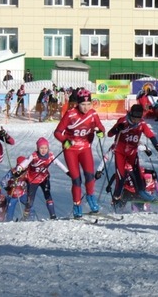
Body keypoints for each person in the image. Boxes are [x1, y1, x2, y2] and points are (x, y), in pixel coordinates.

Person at [53, 87, 106, 219]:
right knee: (76, 179)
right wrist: (65, 141)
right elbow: (57, 132)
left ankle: (90, 198)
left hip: (85, 149)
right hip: (71, 150)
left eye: (88, 104)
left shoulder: (93, 114)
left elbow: (101, 128)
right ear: (78, 103)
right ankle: (77, 205)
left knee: (89, 176)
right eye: (83, 104)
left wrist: (100, 132)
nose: (86, 107)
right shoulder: (70, 114)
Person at [104, 104, 158, 208]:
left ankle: (145, 196)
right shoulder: (123, 121)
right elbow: (109, 134)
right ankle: (116, 199)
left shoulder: (141, 124)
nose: (136, 121)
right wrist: (117, 129)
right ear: (130, 115)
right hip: (120, 153)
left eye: (138, 118)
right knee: (121, 177)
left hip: (132, 154)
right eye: (134, 118)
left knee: (138, 178)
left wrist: (156, 144)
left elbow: (150, 134)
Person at [14, 137, 69, 221]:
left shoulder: (50, 156)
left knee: (48, 195)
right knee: (30, 201)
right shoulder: (34, 155)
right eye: (41, 148)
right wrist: (19, 169)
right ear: (37, 148)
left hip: (44, 178)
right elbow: (25, 162)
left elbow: (59, 164)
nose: (43, 150)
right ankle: (25, 216)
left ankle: (53, 215)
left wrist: (68, 172)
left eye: (45, 148)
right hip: (33, 179)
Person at [0, 156, 29, 221]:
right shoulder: (12, 172)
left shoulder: (27, 172)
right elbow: (3, 181)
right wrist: (7, 187)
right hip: (12, 194)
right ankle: (9, 221)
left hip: (23, 193)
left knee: (29, 205)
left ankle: (30, 219)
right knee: (10, 209)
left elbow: (32, 180)